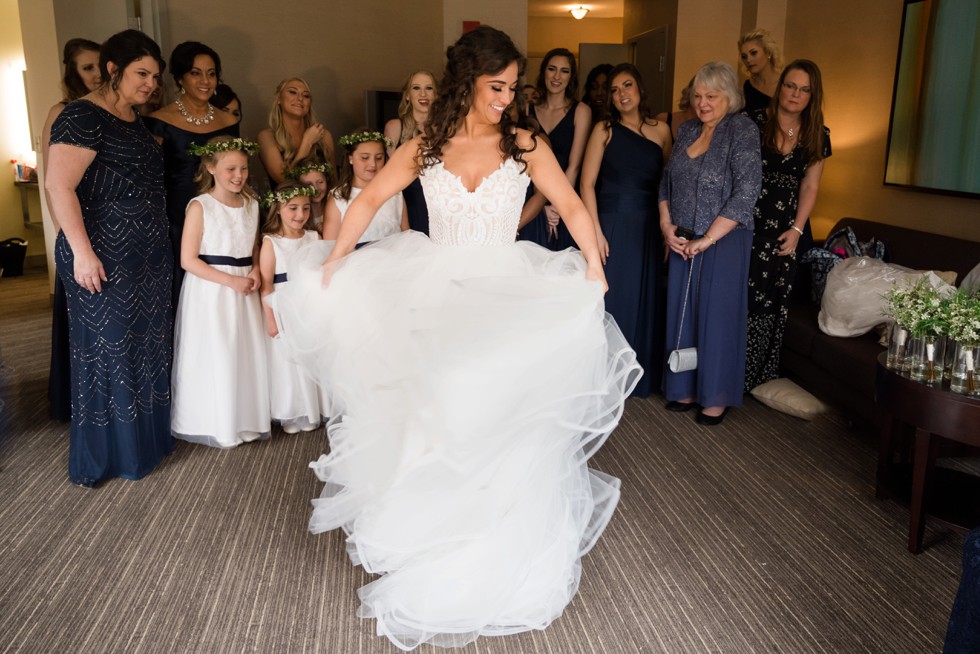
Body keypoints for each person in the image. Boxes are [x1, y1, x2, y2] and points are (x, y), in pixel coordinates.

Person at [273, 25, 640, 650]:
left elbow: (573, 205)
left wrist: (595, 267)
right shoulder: (426, 145)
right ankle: (435, 540)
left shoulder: (524, 142)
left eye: (511, 87)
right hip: (433, 288)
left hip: (505, 288)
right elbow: (365, 203)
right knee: (434, 409)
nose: (506, 97)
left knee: (499, 415)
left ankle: (499, 543)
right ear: (468, 80)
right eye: (496, 86)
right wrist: (335, 260)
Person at [44, 29, 174, 486]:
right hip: (101, 251)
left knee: (147, 347)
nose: (150, 84)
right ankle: (112, 456)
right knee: (110, 351)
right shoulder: (82, 117)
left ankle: (146, 443)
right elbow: (59, 186)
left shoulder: (134, 119)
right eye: (142, 73)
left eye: (155, 76)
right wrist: (81, 253)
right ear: (113, 70)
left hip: (147, 253)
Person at [658, 61, 762, 426]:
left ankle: (715, 395)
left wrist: (708, 238)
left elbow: (747, 192)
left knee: (716, 317)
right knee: (682, 316)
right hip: (682, 238)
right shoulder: (686, 130)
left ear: (728, 97)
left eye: (711, 96)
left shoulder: (742, 130)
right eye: (698, 96)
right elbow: (665, 182)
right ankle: (683, 387)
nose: (702, 103)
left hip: (725, 241)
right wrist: (666, 224)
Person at [170, 137, 270, 448]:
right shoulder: (201, 206)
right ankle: (217, 421)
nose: (238, 175)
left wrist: (254, 269)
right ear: (211, 168)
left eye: (243, 168)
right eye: (230, 169)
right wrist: (230, 282)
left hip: (244, 285)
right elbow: (188, 260)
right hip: (212, 289)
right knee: (218, 350)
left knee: (244, 350)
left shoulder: (252, 205)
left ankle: (245, 419)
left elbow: (252, 247)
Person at [581, 63, 672, 398]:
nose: (622, 94)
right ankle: (605, 379)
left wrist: (665, 228)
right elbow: (587, 184)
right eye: (615, 90)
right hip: (612, 223)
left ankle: (639, 379)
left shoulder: (662, 130)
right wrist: (596, 231)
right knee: (614, 298)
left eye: (627, 86)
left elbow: (668, 185)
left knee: (645, 298)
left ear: (640, 89)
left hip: (648, 224)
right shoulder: (604, 129)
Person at [744, 60, 830, 391]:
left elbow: (810, 186)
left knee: (772, 302)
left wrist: (796, 231)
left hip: (785, 230)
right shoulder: (752, 122)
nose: (795, 94)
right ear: (780, 87)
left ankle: (756, 376)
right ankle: (725, 372)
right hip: (744, 222)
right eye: (790, 86)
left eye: (804, 89)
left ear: (812, 95)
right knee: (738, 297)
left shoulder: (816, 134)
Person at [144, 41, 240, 310]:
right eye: (196, 73)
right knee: (183, 286)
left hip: (222, 216)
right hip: (178, 216)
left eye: (211, 73)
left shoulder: (229, 122)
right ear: (180, 78)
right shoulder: (158, 120)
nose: (205, 81)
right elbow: (152, 177)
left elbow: (234, 170)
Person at [41, 37, 101, 422]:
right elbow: (54, 181)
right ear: (72, 72)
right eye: (87, 68)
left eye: (100, 66)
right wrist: (68, 239)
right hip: (78, 231)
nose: (96, 74)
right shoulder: (62, 112)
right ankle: (73, 401)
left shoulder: (113, 112)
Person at [258, 182, 322, 433]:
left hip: (309, 303)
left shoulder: (314, 237)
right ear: (279, 209)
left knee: (312, 357)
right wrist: (271, 320)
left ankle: (315, 408)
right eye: (293, 208)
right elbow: (266, 286)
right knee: (290, 363)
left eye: (306, 208)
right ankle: (293, 411)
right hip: (284, 307)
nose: (300, 215)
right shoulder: (271, 242)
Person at [519, 48, 591, 250]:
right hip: (532, 200)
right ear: (544, 72)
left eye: (564, 71)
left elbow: (574, 166)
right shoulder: (527, 109)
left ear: (572, 76)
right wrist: (541, 205)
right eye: (552, 69)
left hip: (564, 202)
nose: (557, 76)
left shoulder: (581, 111)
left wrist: (556, 205)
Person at [321, 130, 407, 243]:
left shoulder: (395, 192)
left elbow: (406, 234)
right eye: (365, 157)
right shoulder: (338, 197)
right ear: (350, 158)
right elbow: (329, 244)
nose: (372, 164)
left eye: (379, 158)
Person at [383, 71, 436, 234]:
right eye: (416, 88)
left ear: (436, 94)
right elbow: (390, 174)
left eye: (429, 88)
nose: (423, 94)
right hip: (409, 205)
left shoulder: (447, 130)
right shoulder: (394, 127)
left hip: (439, 205)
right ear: (407, 96)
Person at [258, 77, 335, 185]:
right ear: (279, 98)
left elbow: (334, 182)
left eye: (306, 96)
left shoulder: (324, 135)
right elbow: (284, 181)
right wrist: (307, 143)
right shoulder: (266, 137)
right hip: (286, 202)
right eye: (293, 92)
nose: (300, 98)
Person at [738, 28, 782, 113]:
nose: (748, 60)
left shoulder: (786, 83)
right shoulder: (747, 87)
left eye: (753, 53)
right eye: (744, 56)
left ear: (768, 52)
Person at [286, 158, 331, 232]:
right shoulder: (297, 216)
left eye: (320, 182)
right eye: (309, 184)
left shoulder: (335, 206)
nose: (316, 188)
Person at [655, 76, 697, 142]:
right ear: (689, 93)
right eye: (697, 95)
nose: (703, 102)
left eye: (710, 97)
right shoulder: (664, 119)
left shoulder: (711, 127)